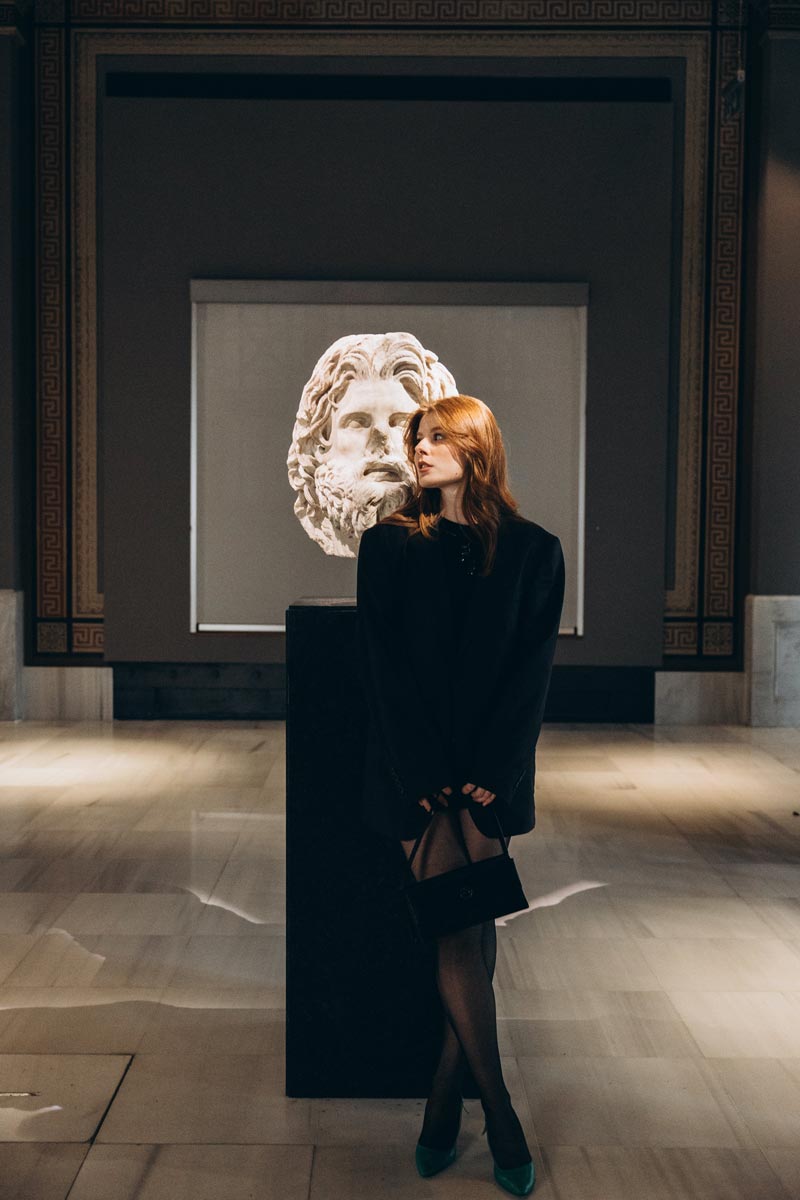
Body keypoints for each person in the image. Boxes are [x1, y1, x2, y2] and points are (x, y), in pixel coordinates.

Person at [356, 393, 565, 1197]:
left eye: (438, 437)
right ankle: (499, 1110)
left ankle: (445, 1102)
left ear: (477, 447)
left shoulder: (532, 549)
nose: (420, 449)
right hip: (413, 773)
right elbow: (383, 671)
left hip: (489, 771)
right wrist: (425, 775)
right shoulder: (387, 546)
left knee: (468, 930)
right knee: (460, 933)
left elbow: (529, 672)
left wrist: (495, 766)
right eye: (418, 439)